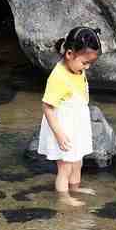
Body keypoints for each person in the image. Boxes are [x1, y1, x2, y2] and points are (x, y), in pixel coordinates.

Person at [39, 26, 102, 206]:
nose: (87, 67)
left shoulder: (77, 69)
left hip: (76, 124)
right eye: (84, 62)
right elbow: (48, 107)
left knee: (78, 161)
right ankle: (64, 197)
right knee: (65, 166)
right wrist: (59, 134)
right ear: (69, 54)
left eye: (90, 63)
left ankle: (75, 188)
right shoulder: (58, 77)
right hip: (63, 128)